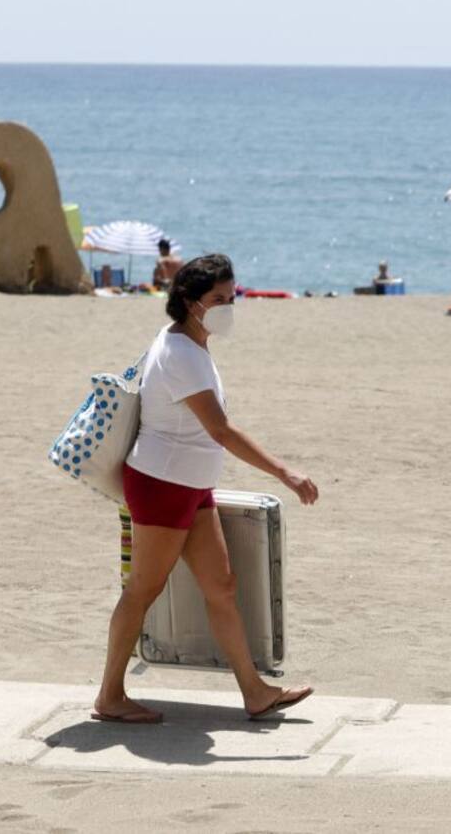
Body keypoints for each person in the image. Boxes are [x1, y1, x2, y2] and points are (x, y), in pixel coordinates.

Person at [96, 254, 320, 724]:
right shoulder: (181, 354)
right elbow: (220, 430)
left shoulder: (191, 344)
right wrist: (284, 472)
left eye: (231, 297)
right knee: (142, 590)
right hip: (162, 485)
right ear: (189, 301)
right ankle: (109, 696)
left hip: (191, 485)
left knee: (221, 586)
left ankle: (255, 692)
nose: (228, 307)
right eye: (218, 299)